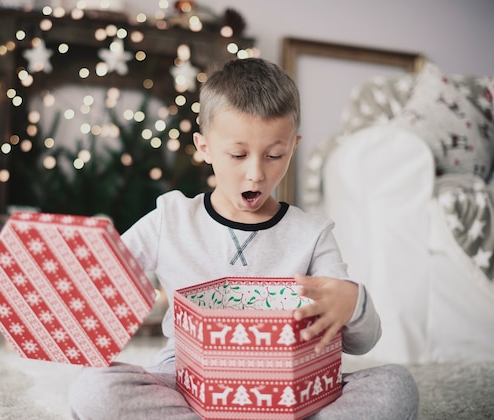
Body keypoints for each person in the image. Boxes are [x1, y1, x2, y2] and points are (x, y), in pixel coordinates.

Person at [69, 57, 419, 419]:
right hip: (187, 381)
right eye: (238, 154)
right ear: (204, 147)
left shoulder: (312, 234)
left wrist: (354, 302)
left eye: (274, 155)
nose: (255, 173)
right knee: (93, 388)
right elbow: (101, 281)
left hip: (292, 390)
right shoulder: (170, 218)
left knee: (395, 385)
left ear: (292, 147)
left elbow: (361, 343)